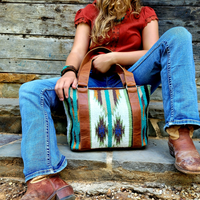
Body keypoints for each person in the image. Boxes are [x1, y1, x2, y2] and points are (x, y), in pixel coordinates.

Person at [19, 0, 200, 199]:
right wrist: (69, 72)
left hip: (132, 80)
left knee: (179, 35)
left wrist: (113, 58)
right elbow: (78, 51)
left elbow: (152, 52)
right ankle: (42, 179)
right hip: (91, 82)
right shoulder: (89, 12)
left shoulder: (144, 14)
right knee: (31, 90)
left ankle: (180, 134)